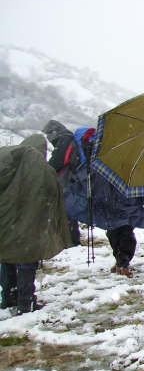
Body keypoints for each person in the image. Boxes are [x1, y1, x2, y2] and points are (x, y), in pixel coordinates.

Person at [62, 127, 144, 277]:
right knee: (116, 230)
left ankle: (123, 262)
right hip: (115, 197)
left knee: (122, 229)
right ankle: (121, 261)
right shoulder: (108, 152)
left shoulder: (123, 153)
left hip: (120, 198)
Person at [0, 134, 71, 314]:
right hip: (31, 223)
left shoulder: (10, 164)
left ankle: (8, 296)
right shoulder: (42, 170)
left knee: (7, 257)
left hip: (7, 222)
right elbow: (53, 195)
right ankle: (25, 302)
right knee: (26, 261)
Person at [42, 120, 81, 246]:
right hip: (72, 181)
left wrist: (46, 170)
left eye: (49, 134)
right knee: (69, 212)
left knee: (66, 212)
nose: (48, 138)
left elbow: (58, 162)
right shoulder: (67, 139)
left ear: (54, 132)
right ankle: (70, 240)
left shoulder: (64, 140)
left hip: (67, 182)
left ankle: (70, 241)